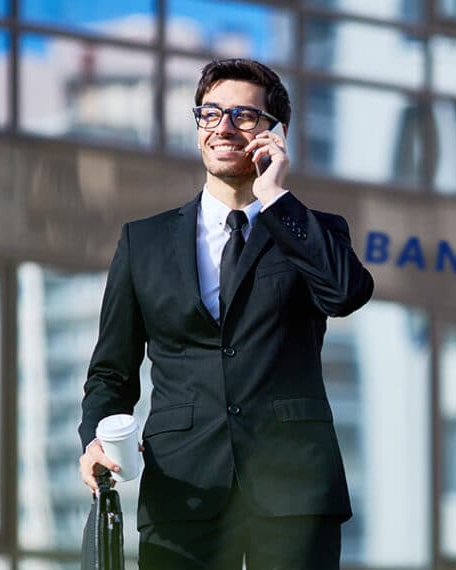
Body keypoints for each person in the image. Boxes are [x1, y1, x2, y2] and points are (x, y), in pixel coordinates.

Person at [77, 58, 374, 569]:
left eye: (243, 115)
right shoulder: (142, 242)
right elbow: (111, 371)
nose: (224, 128)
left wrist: (276, 197)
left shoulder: (310, 230)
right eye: (210, 114)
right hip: (182, 489)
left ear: (276, 134)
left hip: (293, 493)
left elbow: (345, 293)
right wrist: (94, 442)